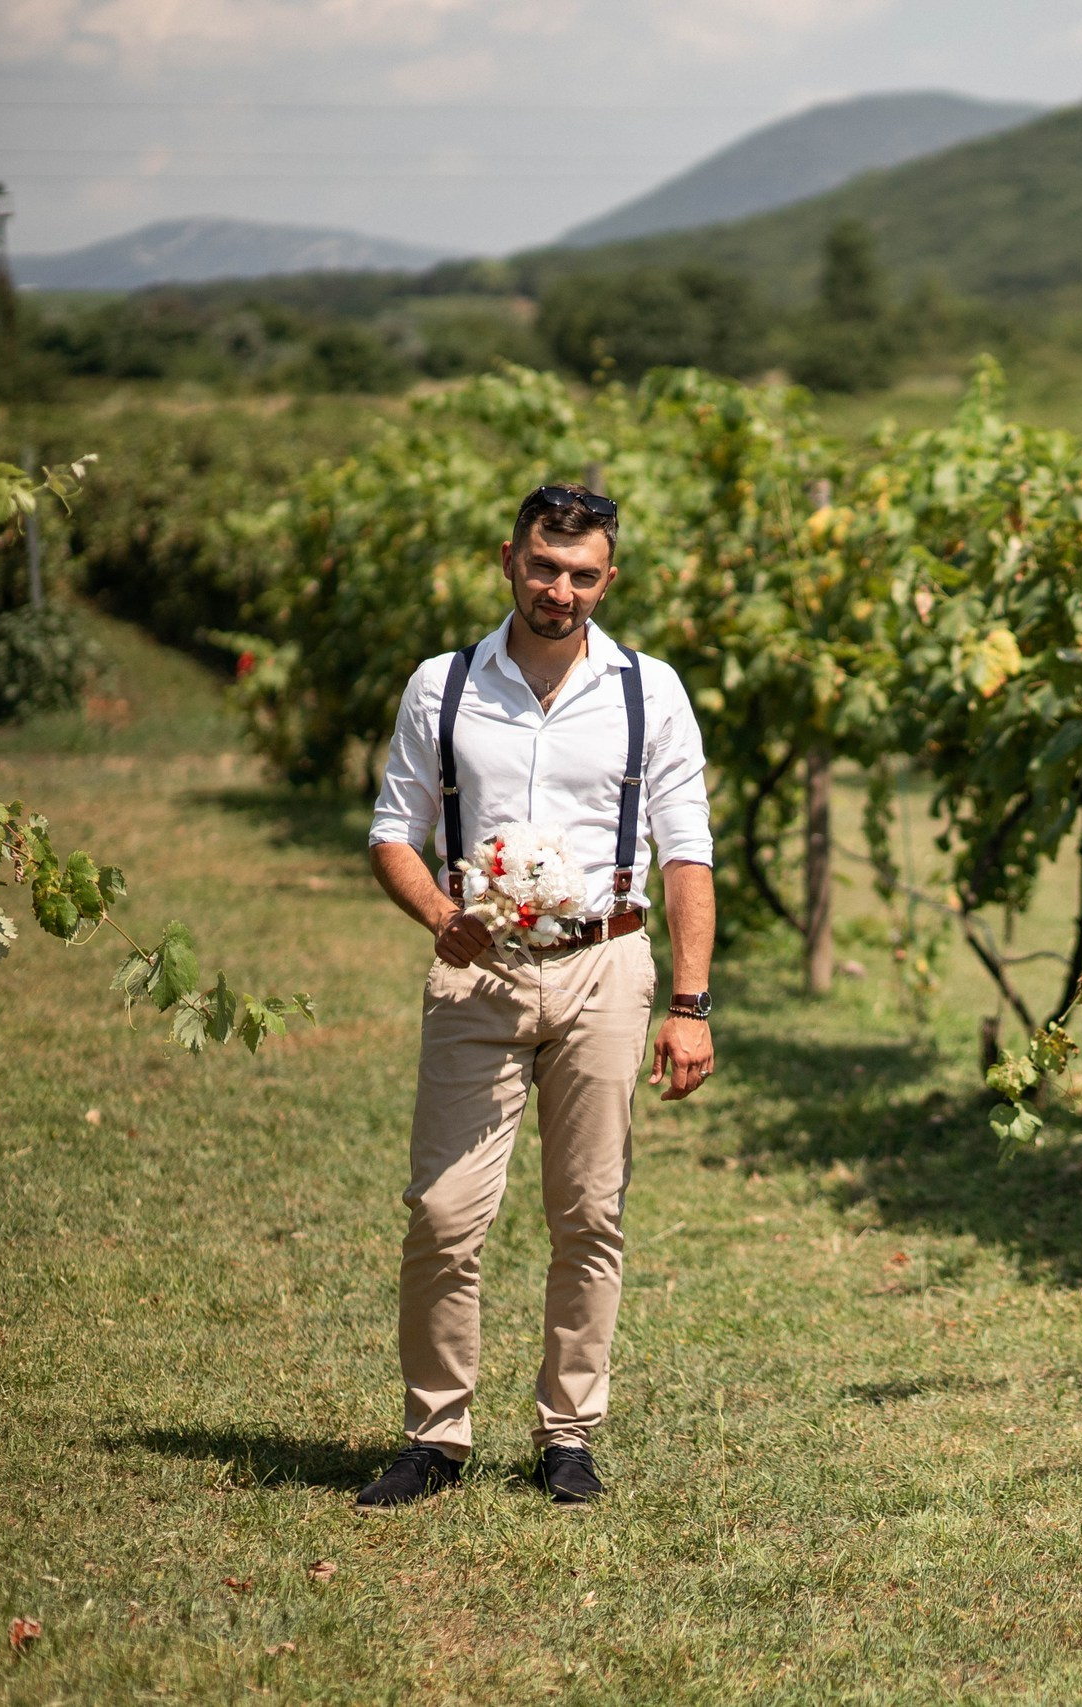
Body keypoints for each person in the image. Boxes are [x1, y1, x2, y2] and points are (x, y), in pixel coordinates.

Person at [352, 483, 716, 1511]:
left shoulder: (651, 691)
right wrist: (438, 915)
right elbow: (395, 829)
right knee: (441, 1212)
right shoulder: (445, 685)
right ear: (510, 559)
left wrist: (689, 1004)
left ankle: (567, 1436)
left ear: (609, 577)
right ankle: (435, 1434)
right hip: (480, 968)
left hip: (609, 965)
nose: (561, 590)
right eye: (545, 568)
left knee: (589, 1210)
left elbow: (686, 853)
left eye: (583, 574)